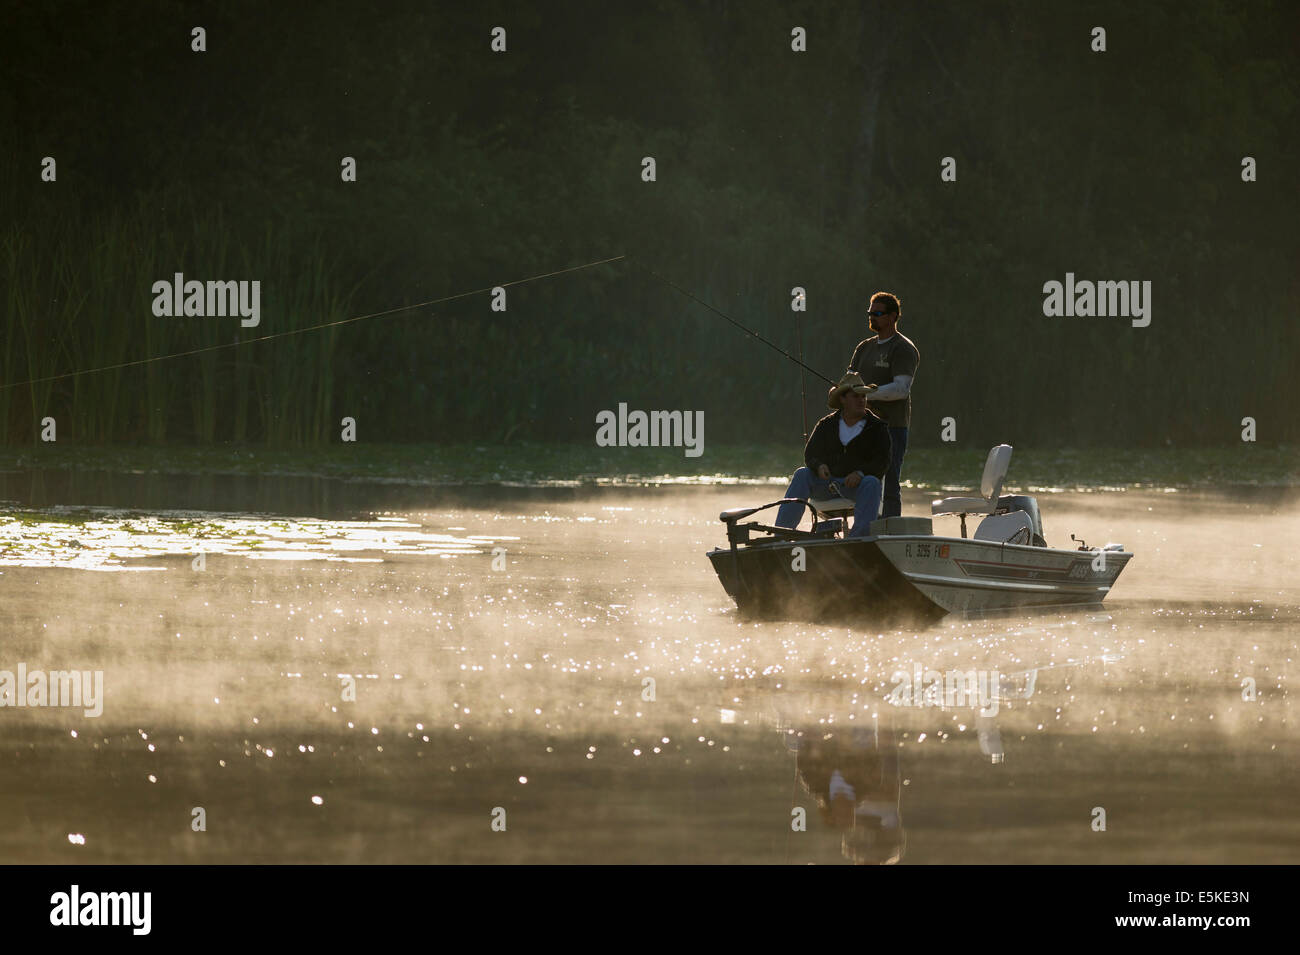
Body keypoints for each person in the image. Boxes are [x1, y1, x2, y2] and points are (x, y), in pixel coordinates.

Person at [774, 372, 891, 537]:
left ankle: (858, 538)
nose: (861, 400)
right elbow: (811, 455)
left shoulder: (878, 428)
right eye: (855, 396)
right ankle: (782, 534)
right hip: (826, 485)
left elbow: (882, 461)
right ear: (843, 399)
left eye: (863, 396)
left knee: (872, 482)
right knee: (802, 474)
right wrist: (819, 465)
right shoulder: (826, 424)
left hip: (857, 487)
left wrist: (860, 473)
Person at [847, 292, 919, 519]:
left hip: (892, 428)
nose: (872, 317)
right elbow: (849, 381)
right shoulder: (863, 348)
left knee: (888, 482)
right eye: (870, 313)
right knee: (858, 479)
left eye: (877, 313)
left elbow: (901, 389)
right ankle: (862, 528)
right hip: (861, 427)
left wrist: (867, 394)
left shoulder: (903, 348)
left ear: (893, 316)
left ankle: (890, 529)